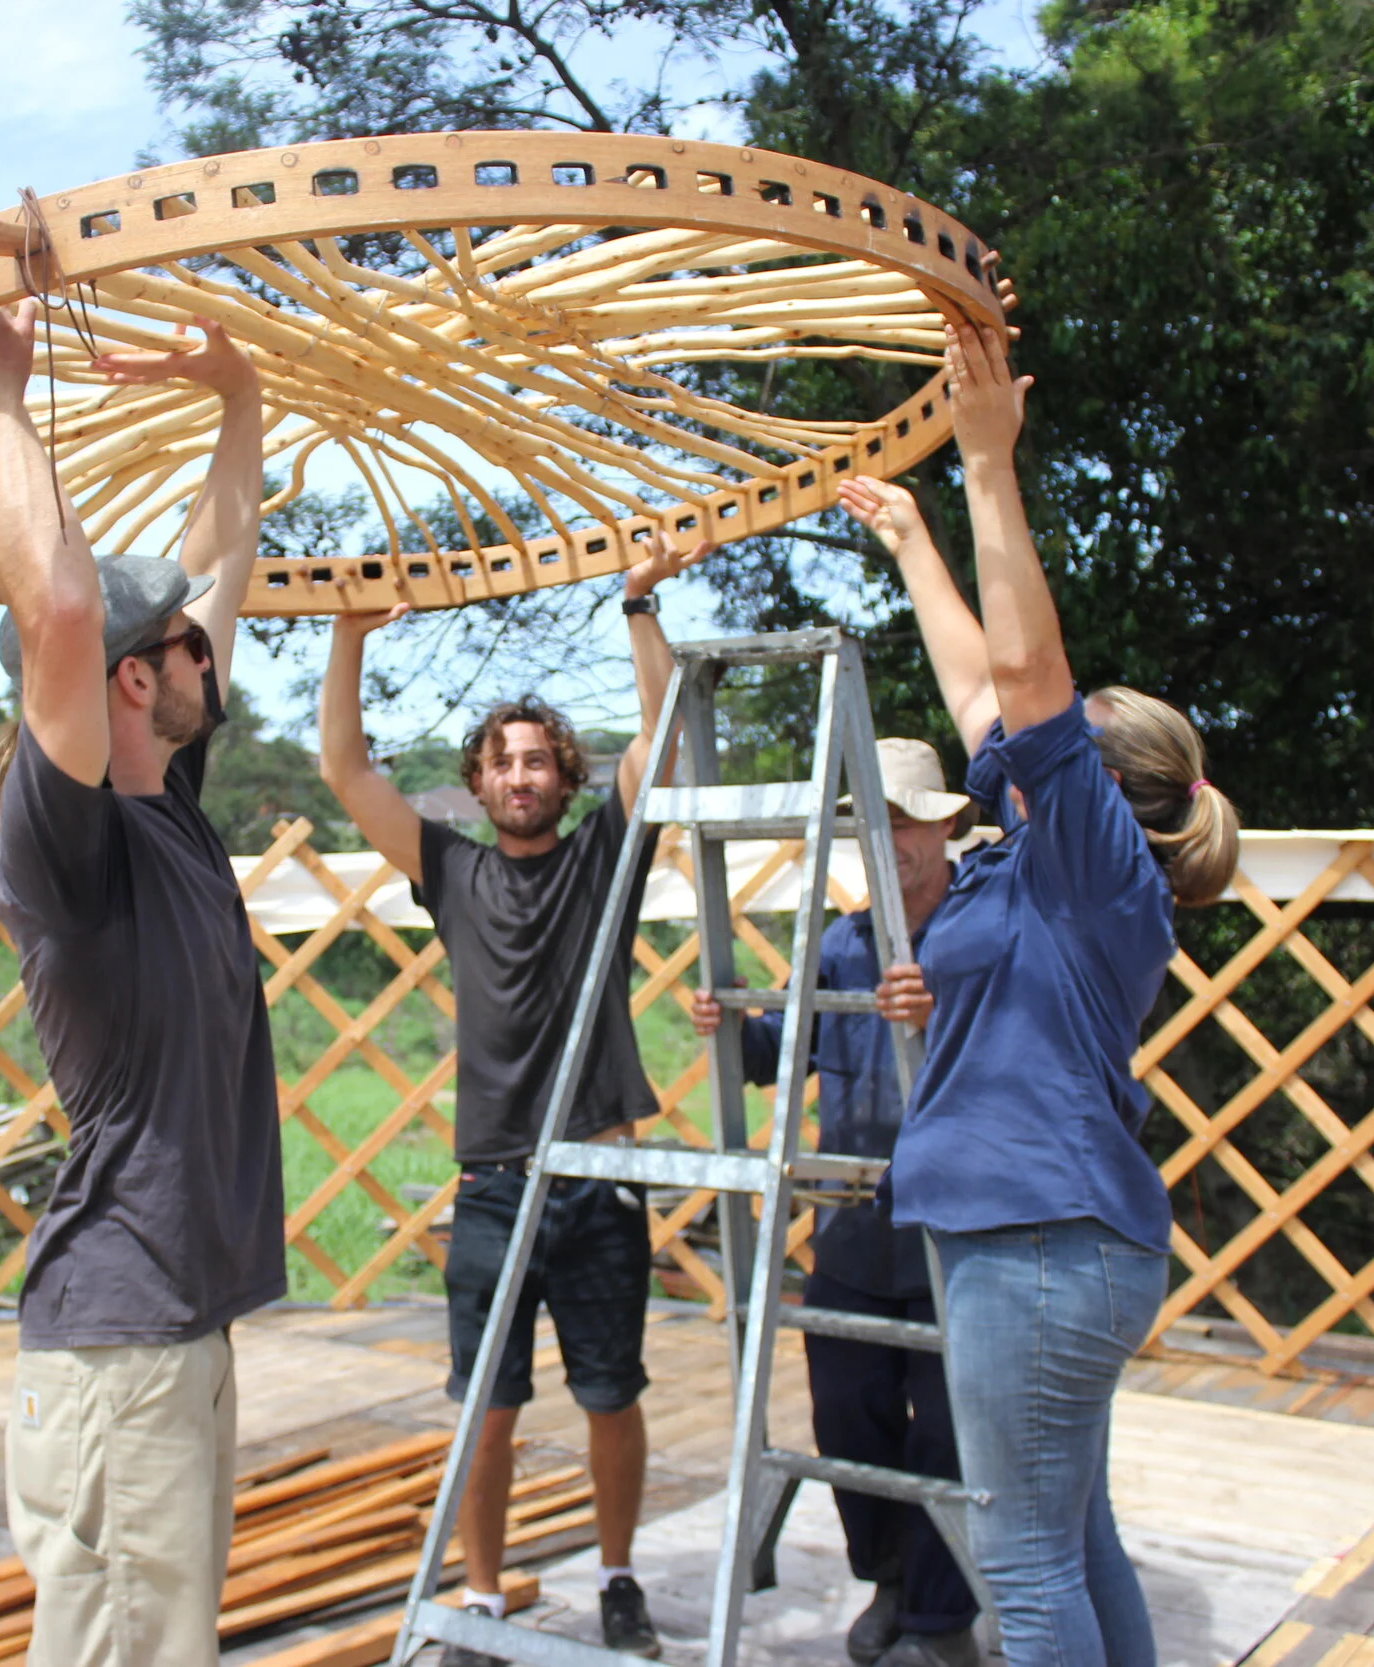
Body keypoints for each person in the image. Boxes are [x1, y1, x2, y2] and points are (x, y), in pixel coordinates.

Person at [837, 317, 1241, 1666]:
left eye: (1037, 740)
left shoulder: (1094, 867)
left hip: (1038, 1237)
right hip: (1044, 1235)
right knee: (1079, 1537)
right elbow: (979, 681)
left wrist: (989, 462)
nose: (1001, 741)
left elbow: (1018, 675)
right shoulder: (1026, 858)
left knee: (1020, 1557)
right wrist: (908, 534)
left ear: (1090, 778)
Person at [0, 298, 279, 1667]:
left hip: (170, 1329)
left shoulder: (166, 799)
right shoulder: (70, 851)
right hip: (121, 1341)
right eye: (182, 644)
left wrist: (238, 399)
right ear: (125, 679)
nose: (208, 648)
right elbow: (54, 605)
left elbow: (220, 553)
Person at [316, 538, 707, 1664]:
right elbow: (347, 773)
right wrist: (346, 643)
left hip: (595, 1171)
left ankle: (619, 1577)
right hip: (491, 1181)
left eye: (539, 759)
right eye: (504, 761)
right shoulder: (452, 871)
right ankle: (482, 1594)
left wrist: (638, 602)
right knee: (485, 1404)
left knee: (609, 1393)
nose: (523, 775)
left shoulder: (604, 858)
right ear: (478, 784)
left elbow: (662, 738)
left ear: (562, 777)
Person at [687, 738, 981, 1667]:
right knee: (846, 1412)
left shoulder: (977, 932)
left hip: (957, 1227)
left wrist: (939, 1011)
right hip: (854, 1225)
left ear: (942, 828)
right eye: (874, 823)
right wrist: (731, 1020)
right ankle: (890, 1577)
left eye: (907, 821)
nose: (891, 840)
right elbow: (784, 1054)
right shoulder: (842, 942)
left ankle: (941, 1619)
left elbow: (1016, 1044)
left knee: (944, 1425)